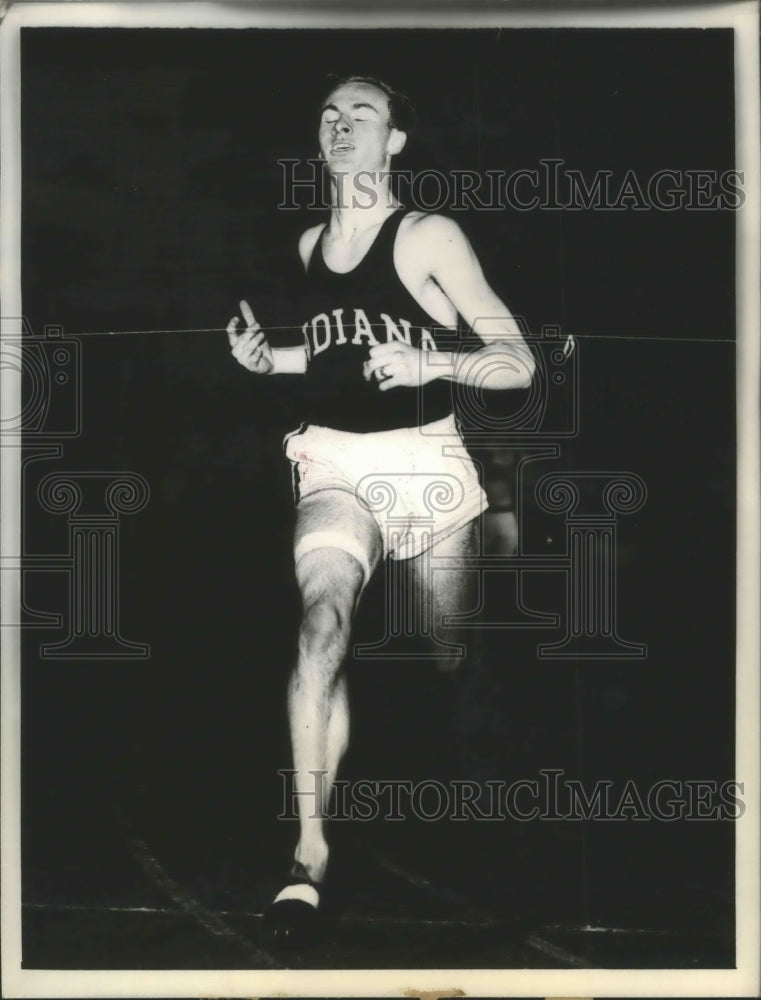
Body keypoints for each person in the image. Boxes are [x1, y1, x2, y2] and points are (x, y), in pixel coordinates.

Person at [226, 74, 535, 947]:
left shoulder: (429, 236)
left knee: (445, 652)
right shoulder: (308, 243)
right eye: (328, 114)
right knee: (321, 622)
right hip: (334, 457)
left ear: (394, 142)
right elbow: (326, 360)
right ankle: (308, 851)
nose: (340, 126)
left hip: (425, 460)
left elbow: (515, 362)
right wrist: (267, 363)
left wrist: (433, 365)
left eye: (361, 116)